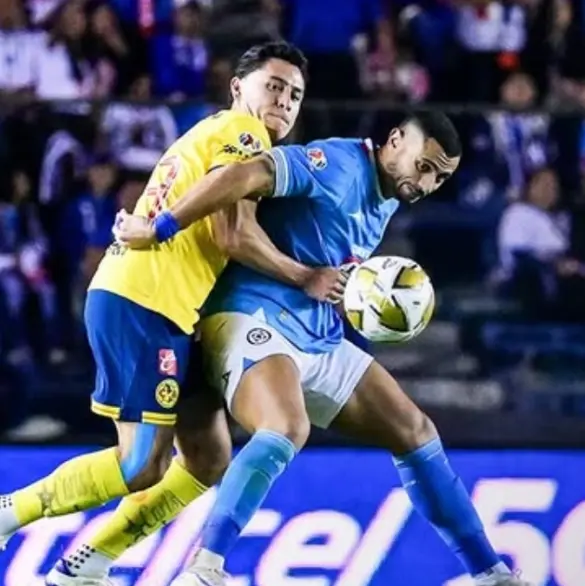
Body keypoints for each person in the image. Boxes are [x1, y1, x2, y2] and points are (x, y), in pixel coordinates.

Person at [114, 112, 532, 586]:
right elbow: (238, 175)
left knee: (416, 431)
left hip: (316, 336)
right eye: (425, 165)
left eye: (441, 176)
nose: (429, 182)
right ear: (395, 140)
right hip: (252, 317)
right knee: (285, 427)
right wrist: (163, 225)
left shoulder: (388, 194)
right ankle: (204, 568)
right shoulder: (335, 162)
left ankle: (491, 575)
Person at [0, 41, 346, 586]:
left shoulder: (219, 134)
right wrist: (305, 276)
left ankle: (85, 565)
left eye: (295, 94)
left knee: (208, 456)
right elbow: (232, 234)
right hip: (144, 301)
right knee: (140, 465)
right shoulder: (242, 134)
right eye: (273, 86)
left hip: (166, 309)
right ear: (239, 88)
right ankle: (10, 512)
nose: (283, 100)